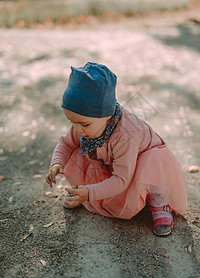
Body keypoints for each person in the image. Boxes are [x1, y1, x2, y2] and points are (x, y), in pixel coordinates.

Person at [46, 62, 187, 237]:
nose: (78, 129)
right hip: (115, 162)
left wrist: (90, 193)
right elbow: (66, 143)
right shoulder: (86, 125)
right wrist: (57, 163)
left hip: (143, 160)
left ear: (106, 116)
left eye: (84, 124)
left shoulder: (126, 134)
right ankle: (79, 193)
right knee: (76, 153)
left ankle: (159, 203)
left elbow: (121, 179)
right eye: (72, 122)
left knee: (151, 165)